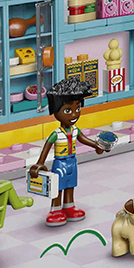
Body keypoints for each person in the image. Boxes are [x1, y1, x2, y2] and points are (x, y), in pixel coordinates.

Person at [29, 77, 105, 227]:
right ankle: (55, 210)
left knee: (70, 185)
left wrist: (96, 145)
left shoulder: (75, 130)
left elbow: (83, 139)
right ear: (55, 111)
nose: (74, 115)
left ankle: (69, 207)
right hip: (60, 163)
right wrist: (39, 163)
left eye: (78, 109)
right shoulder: (56, 134)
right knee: (57, 186)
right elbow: (47, 146)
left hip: (72, 161)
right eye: (68, 111)